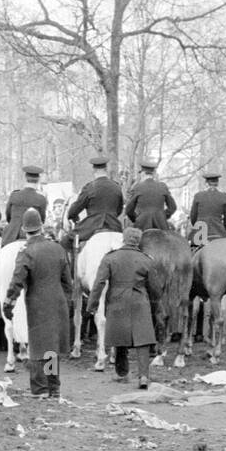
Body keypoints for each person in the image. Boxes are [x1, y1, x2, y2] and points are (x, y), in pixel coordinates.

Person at [2, 208, 70, 399]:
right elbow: (68, 282)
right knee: (51, 347)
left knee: (38, 346)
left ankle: (40, 388)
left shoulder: (26, 251)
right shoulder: (58, 248)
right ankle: (54, 387)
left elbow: (17, 281)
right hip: (57, 301)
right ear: (41, 227)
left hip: (37, 302)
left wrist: (8, 303)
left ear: (24, 230)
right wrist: (65, 302)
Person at [88, 227, 159, 388]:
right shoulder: (146, 259)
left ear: (123, 239)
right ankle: (143, 377)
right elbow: (155, 287)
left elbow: (99, 283)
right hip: (139, 300)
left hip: (116, 300)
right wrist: (154, 303)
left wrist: (92, 304)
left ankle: (122, 372)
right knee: (143, 339)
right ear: (138, 241)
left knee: (119, 334)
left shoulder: (110, 258)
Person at [68, 156, 125, 243]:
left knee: (65, 241)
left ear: (93, 170)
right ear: (106, 169)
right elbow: (119, 209)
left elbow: (75, 209)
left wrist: (73, 216)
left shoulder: (89, 188)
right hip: (114, 226)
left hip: (92, 227)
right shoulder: (117, 187)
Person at [0, 165, 48, 246]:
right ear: (38, 180)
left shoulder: (14, 195)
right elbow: (41, 221)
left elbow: (8, 217)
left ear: (25, 178)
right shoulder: (41, 199)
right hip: (32, 236)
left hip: (11, 236)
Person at [124, 159, 176, 230]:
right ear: (153, 173)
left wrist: (136, 218)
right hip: (161, 225)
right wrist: (163, 216)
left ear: (143, 173)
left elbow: (128, 210)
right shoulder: (162, 186)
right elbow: (173, 207)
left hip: (141, 225)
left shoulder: (137, 187)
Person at [187, 171, 226, 243]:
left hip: (200, 232)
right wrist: (224, 231)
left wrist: (197, 226)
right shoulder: (225, 197)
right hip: (219, 232)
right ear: (217, 183)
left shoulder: (198, 196)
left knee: (190, 249)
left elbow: (193, 218)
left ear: (206, 183)